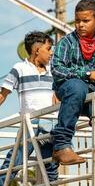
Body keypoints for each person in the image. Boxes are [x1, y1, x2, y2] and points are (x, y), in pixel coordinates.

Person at [50, 0, 95, 165]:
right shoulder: (66, 42)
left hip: (93, 95)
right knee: (77, 86)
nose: (80, 25)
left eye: (85, 21)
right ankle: (61, 145)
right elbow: (56, 69)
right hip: (69, 89)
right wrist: (87, 73)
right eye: (77, 20)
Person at [0, 31, 59, 184]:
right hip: (30, 124)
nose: (51, 53)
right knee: (14, 161)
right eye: (48, 48)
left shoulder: (54, 70)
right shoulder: (19, 68)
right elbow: (3, 94)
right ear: (37, 50)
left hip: (50, 124)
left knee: (50, 165)